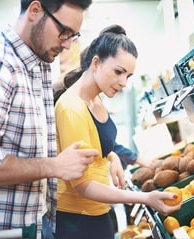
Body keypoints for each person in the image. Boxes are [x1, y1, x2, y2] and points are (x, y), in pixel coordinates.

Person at [0, 0, 99, 238]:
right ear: (35, 10)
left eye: (74, 35)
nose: (68, 44)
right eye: (64, 32)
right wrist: (55, 165)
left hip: (36, 224)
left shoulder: (36, 63)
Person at [54, 25, 182, 239]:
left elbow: (93, 141)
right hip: (78, 221)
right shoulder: (71, 108)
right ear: (96, 63)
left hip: (98, 212)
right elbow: (83, 185)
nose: (123, 82)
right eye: (118, 72)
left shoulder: (95, 97)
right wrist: (145, 198)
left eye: (128, 76)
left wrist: (110, 155)